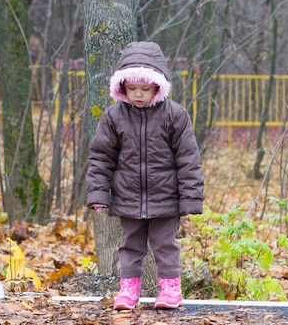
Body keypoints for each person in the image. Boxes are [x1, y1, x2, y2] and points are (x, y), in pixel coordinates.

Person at [86, 41, 205, 310]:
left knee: (166, 246)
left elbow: (188, 159)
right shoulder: (114, 116)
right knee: (130, 246)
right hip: (127, 197)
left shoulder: (175, 115)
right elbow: (101, 157)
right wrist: (98, 193)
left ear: (157, 87)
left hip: (166, 197)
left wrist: (190, 199)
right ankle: (128, 292)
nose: (138, 95)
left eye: (145, 89)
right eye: (132, 89)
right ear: (122, 87)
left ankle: (171, 290)